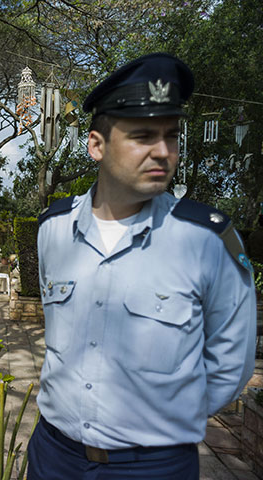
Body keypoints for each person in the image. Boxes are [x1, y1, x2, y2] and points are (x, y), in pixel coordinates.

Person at [28, 53, 256, 480]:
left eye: (171, 135)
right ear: (96, 144)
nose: (164, 152)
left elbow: (230, 364)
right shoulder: (53, 230)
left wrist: (164, 415)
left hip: (154, 467)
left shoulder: (206, 240)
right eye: (143, 135)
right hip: (54, 456)